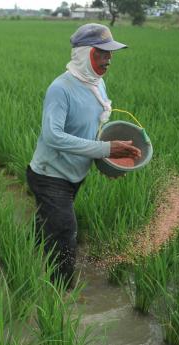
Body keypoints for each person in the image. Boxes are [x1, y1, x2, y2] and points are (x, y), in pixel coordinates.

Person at [26, 23, 141, 288]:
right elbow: (52, 135)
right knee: (66, 230)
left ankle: (25, 251)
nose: (109, 59)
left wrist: (107, 162)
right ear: (85, 53)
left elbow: (94, 130)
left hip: (74, 174)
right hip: (49, 175)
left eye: (111, 53)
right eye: (103, 52)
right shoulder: (61, 89)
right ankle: (61, 293)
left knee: (49, 220)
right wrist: (106, 149)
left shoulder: (97, 85)